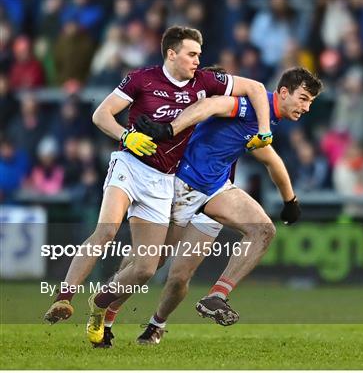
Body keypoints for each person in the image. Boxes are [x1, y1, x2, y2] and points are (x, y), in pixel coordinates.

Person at [43, 26, 273, 332]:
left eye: (199, 55)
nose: (197, 61)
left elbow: (257, 88)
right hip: (130, 164)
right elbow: (101, 115)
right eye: (192, 54)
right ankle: (64, 297)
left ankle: (100, 306)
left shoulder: (205, 82)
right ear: (172, 53)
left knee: (146, 267)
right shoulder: (142, 78)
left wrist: (264, 130)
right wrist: (127, 137)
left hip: (164, 180)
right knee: (107, 231)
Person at [90, 67, 323, 347]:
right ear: (284, 93)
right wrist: (170, 129)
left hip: (214, 190)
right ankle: (105, 312)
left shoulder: (265, 122)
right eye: (304, 98)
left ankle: (202, 303)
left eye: (310, 102)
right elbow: (211, 104)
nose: (307, 107)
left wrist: (290, 201)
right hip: (181, 186)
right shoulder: (250, 106)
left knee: (248, 238)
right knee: (148, 263)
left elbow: (272, 160)